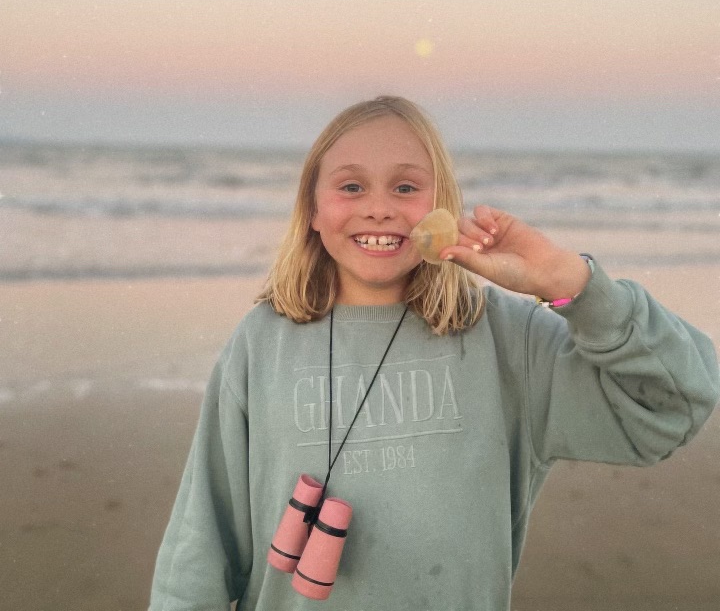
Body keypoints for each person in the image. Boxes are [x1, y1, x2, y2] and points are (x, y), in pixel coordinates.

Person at [149, 96, 719, 611]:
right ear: (313, 211)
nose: (378, 208)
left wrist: (575, 286)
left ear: (443, 206)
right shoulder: (262, 342)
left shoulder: (506, 340)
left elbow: (674, 406)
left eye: (405, 187)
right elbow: (200, 541)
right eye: (350, 187)